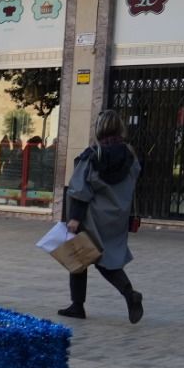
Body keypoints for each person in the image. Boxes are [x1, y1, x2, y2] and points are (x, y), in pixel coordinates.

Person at [59, 109, 143, 323]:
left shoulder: (92, 155)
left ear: (99, 129)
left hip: (93, 217)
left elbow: (80, 189)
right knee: (109, 261)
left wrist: (74, 218)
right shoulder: (130, 155)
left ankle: (78, 305)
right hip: (118, 217)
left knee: (81, 256)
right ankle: (128, 294)